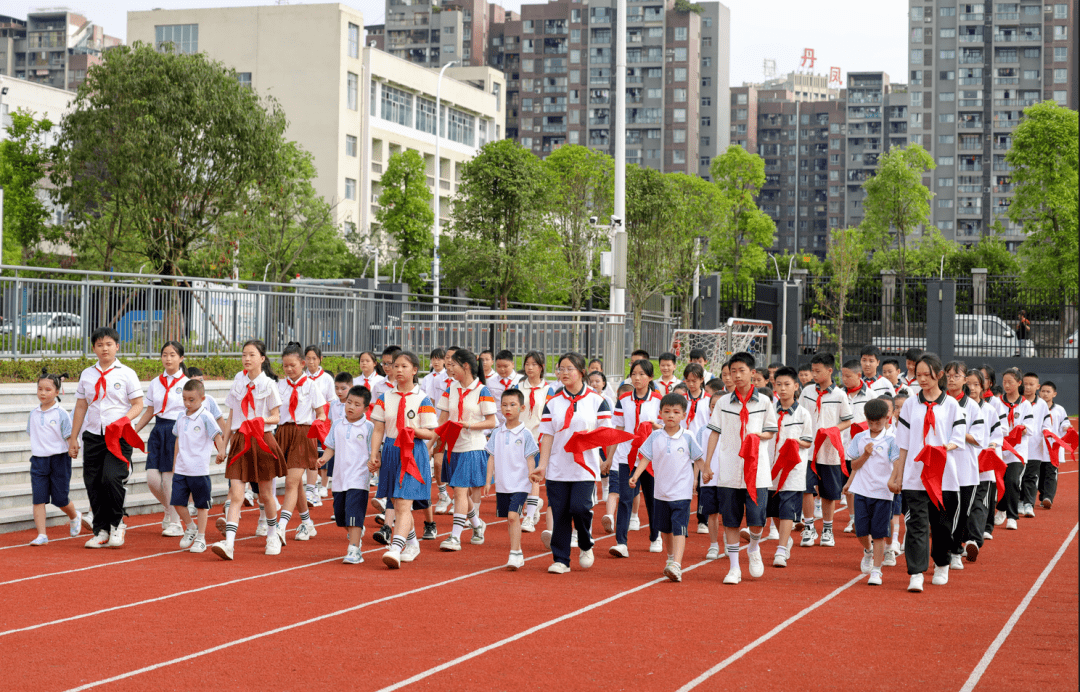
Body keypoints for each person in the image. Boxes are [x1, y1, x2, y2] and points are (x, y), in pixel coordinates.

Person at [888, 352, 966, 593]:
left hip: (944, 477)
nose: (922, 379)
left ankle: (941, 564)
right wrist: (898, 475)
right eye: (919, 374)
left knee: (941, 526)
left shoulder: (951, 405)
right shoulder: (910, 405)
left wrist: (941, 448)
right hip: (915, 476)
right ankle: (916, 573)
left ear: (939, 375)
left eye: (927, 375)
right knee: (916, 526)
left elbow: (958, 438)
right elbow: (903, 443)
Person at [531, 352, 614, 573]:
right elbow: (547, 436)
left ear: (582, 372)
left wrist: (594, 441)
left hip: (584, 467)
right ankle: (561, 559)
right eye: (561, 369)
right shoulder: (553, 403)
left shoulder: (598, 401)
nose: (564, 373)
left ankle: (586, 543)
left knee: (580, 508)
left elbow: (606, 433)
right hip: (558, 467)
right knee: (559, 513)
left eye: (570, 369)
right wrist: (543, 465)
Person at [704, 352, 777, 584]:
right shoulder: (723, 402)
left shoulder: (764, 401)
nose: (736, 375)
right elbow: (714, 433)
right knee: (731, 520)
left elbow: (771, 431)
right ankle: (734, 567)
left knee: (757, 519)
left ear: (752, 373)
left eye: (741, 371)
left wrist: (756, 436)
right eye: (732, 371)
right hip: (729, 468)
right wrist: (707, 464)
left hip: (757, 470)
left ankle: (754, 547)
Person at [211, 340, 286, 560]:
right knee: (236, 494)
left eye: (252, 355)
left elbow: (276, 416)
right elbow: (231, 416)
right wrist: (223, 445)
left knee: (265, 494)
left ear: (262, 358)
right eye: (244, 354)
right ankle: (229, 544)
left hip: (262, 439)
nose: (247, 359)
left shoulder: (269, 384)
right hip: (240, 440)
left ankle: (272, 535)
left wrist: (260, 420)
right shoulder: (238, 382)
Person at [70, 327, 144, 549]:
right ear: (94, 348)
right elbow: (81, 406)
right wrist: (73, 438)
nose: (105, 348)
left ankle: (117, 524)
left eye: (109, 344)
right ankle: (101, 530)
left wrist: (124, 420)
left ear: (117, 347)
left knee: (111, 478)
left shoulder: (127, 373)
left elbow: (138, 404)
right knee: (93, 482)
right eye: (100, 345)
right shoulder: (87, 374)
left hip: (118, 436)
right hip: (93, 434)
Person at [628, 393, 709, 582]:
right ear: (660, 414)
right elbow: (645, 457)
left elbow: (698, 458)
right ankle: (671, 558)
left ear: (683, 415)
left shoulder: (688, 436)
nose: (671, 415)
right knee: (665, 529)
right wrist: (636, 475)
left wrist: (706, 472)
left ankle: (677, 564)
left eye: (676, 412)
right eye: (667, 411)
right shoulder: (655, 436)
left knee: (679, 528)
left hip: (681, 492)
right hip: (661, 492)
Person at [369, 351, 438, 568]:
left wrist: (413, 431)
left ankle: (395, 548)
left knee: (404, 501)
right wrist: (374, 454)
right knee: (397, 502)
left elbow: (431, 432)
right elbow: (378, 429)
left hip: (413, 451)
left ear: (415, 370)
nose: (398, 370)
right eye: (395, 366)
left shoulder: (422, 398)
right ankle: (412, 543)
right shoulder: (384, 398)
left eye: (404, 366)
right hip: (391, 450)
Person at [436, 349, 498, 553]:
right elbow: (442, 419)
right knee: (459, 490)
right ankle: (478, 525)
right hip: (453, 447)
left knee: (460, 491)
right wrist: (431, 444)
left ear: (466, 366)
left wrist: (469, 425)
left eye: (453, 364)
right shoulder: (451, 389)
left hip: (472, 446)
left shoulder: (482, 390)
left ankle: (455, 536)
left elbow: (492, 421)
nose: (449, 368)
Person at [605, 359, 663, 558]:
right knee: (625, 499)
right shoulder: (623, 400)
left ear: (650, 377)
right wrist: (609, 458)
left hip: (650, 458)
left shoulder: (658, 399)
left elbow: (666, 427)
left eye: (641, 374)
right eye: (634, 374)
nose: (637, 378)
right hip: (626, 457)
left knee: (652, 499)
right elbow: (618, 429)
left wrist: (655, 426)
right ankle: (621, 542)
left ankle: (655, 536)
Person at [797, 353, 853, 548]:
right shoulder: (807, 392)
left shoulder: (839, 395)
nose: (813, 374)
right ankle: (809, 526)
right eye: (812, 371)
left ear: (829, 371)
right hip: (808, 449)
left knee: (829, 492)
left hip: (830, 452)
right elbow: (799, 415)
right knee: (806, 488)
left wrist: (833, 430)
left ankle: (827, 530)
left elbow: (847, 420)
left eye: (817, 371)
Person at [133, 341, 189, 537]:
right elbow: (150, 410)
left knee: (168, 478)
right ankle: (169, 509)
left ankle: (176, 523)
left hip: (176, 431)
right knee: (152, 478)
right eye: (165, 354)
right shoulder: (155, 382)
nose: (168, 359)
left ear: (181, 358)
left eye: (172, 355)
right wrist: (134, 430)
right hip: (158, 430)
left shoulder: (187, 384)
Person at [275, 342, 327, 545]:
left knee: (291, 482)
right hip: (283, 433)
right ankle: (307, 523)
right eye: (285, 366)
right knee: (295, 483)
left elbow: (321, 413)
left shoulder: (311, 386)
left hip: (303, 434)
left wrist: (318, 424)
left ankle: (280, 527)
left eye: (293, 365)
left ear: (302, 364)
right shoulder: (280, 385)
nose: (288, 369)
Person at [845, 398, 899, 586]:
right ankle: (868, 550)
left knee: (878, 534)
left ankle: (876, 570)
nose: (874, 427)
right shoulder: (859, 438)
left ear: (887, 418)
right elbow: (854, 465)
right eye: (871, 422)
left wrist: (894, 482)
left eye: (878, 422)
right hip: (861, 491)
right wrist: (866, 455)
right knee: (860, 531)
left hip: (883, 493)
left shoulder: (892, 440)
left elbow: (896, 464)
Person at [27, 370, 86, 545]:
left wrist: (73, 448)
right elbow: (32, 434)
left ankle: (74, 516)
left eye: (48, 390)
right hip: (38, 461)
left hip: (59, 460)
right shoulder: (33, 414)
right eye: (40, 389)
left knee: (60, 499)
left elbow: (69, 436)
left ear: (57, 392)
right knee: (38, 499)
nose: (43, 393)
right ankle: (42, 535)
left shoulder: (61, 413)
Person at [485, 389, 540, 570]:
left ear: (522, 408)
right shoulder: (497, 433)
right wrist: (488, 481)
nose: (507, 408)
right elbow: (491, 457)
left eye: (512, 405)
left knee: (512, 516)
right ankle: (517, 551)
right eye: (504, 405)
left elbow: (530, 458)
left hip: (520, 483)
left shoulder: (525, 434)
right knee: (510, 520)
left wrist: (532, 477)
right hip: (502, 484)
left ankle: (515, 553)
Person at [318, 385, 374, 564]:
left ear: (365, 408)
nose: (351, 407)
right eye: (349, 402)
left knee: (354, 513)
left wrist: (375, 464)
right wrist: (323, 459)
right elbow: (331, 447)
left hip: (359, 478)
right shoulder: (337, 425)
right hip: (339, 478)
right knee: (341, 516)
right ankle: (356, 531)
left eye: (357, 404)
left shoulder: (369, 427)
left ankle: (354, 549)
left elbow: (374, 451)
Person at [170, 379, 224, 554]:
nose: (187, 403)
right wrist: (175, 462)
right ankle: (191, 527)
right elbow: (178, 439)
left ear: (202, 399)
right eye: (184, 399)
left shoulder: (206, 416)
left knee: (201, 505)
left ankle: (201, 537)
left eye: (191, 400)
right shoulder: (180, 416)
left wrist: (222, 451)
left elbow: (217, 436)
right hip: (181, 468)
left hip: (199, 469)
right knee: (177, 503)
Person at [767, 366, 812, 568]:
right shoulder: (769, 411)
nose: (783, 389)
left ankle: (781, 548)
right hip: (770, 470)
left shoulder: (803, 414)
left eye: (787, 384)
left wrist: (795, 442)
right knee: (774, 511)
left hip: (792, 471)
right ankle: (785, 540)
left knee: (787, 510)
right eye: (779, 384)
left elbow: (808, 441)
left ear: (796, 386)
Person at [943, 362, 979, 571]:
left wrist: (957, 430)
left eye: (956, 376)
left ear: (965, 380)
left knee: (962, 511)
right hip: (943, 466)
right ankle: (944, 551)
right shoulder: (940, 402)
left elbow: (978, 438)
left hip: (965, 468)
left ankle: (956, 550)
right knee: (944, 512)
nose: (951, 379)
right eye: (948, 375)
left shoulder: (972, 406)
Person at [961, 368, 998, 562]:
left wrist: (992, 445)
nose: (973, 388)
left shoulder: (989, 410)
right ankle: (961, 540)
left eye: (976, 384)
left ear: (984, 386)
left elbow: (997, 434)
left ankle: (973, 540)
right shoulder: (958, 407)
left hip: (983, 465)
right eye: (969, 384)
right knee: (963, 503)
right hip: (963, 464)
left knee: (978, 504)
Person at [519, 350, 554, 532]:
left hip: (538, 439)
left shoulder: (548, 389)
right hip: (520, 438)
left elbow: (550, 416)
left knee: (534, 477)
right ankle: (534, 504)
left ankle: (529, 517)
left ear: (541, 367)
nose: (530, 368)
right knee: (521, 478)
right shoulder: (518, 387)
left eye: (534, 364)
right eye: (527, 364)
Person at [994, 368, 1033, 531]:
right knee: (1001, 482)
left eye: (1010, 382)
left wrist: (1020, 430)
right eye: (1004, 382)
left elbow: (1030, 428)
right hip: (1000, 449)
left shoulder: (1025, 404)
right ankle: (1002, 509)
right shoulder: (997, 402)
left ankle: (1011, 516)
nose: (1007, 385)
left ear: (1019, 383)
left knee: (1012, 481)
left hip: (1017, 452)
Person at [840, 359, 873, 534]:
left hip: (865, 448)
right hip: (844, 447)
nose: (844, 379)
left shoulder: (871, 395)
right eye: (843, 376)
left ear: (859, 375)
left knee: (865, 484)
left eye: (848, 376)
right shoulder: (839, 395)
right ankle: (853, 518)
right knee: (849, 485)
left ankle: (866, 517)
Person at [304, 345, 337, 504]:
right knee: (309, 456)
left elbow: (332, 400)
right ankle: (312, 487)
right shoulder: (302, 377)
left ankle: (321, 485)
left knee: (321, 453)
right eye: (308, 358)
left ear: (320, 359)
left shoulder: (326, 379)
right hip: (306, 423)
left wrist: (326, 419)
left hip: (322, 423)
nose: (311, 362)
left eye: (314, 358)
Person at [697, 391, 726, 560]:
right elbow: (697, 456)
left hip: (729, 479)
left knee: (728, 514)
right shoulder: (703, 431)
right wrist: (697, 477)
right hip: (709, 479)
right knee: (712, 513)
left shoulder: (734, 427)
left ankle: (729, 542)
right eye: (714, 406)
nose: (717, 409)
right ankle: (714, 544)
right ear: (709, 408)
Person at [1019, 371, 1051, 518]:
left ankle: (1029, 504)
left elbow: (1046, 422)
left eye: (1031, 384)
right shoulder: (1018, 401)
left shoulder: (1042, 404)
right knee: (1018, 476)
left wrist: (1047, 432)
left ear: (1037, 386)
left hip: (1034, 446)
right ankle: (1019, 501)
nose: (1028, 387)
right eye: (1025, 384)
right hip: (1018, 446)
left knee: (1031, 476)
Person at [487, 350, 523, 426]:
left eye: (505, 366)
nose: (502, 369)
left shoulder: (521, 380)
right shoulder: (490, 382)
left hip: (517, 421)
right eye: (498, 366)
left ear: (512, 364)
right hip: (497, 422)